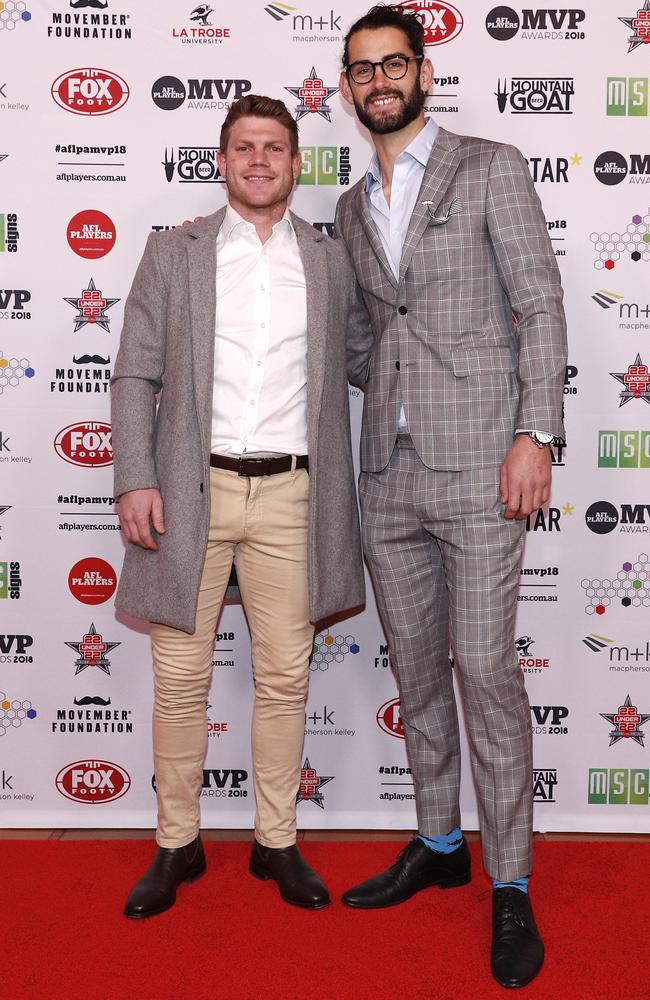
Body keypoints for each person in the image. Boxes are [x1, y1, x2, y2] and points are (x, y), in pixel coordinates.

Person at [335, 6, 567, 989]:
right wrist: (376, 378)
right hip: (384, 475)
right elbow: (357, 330)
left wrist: (535, 431)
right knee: (417, 678)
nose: (377, 81)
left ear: (422, 73)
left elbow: (540, 302)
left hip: (481, 464)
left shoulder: (489, 163)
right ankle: (437, 844)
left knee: (484, 673)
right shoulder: (348, 206)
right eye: (359, 70)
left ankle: (507, 881)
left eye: (392, 64)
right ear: (346, 90)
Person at [111, 94, 370, 919]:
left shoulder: (331, 262)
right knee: (180, 679)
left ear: (298, 165)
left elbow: (375, 359)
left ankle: (276, 843)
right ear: (221, 162)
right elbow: (133, 374)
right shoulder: (172, 253)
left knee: (285, 676)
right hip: (190, 491)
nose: (259, 160)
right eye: (243, 147)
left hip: (295, 495)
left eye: (275, 148)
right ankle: (177, 844)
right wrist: (133, 478)